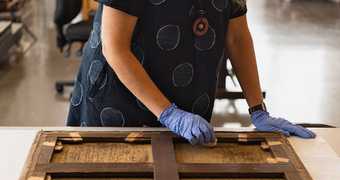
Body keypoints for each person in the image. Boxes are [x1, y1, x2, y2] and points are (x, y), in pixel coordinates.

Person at [67, 0, 316, 145]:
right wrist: (168, 113)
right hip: (119, 103)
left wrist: (258, 110)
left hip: (187, 99)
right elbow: (115, 47)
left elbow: (237, 36)